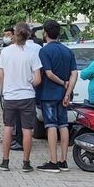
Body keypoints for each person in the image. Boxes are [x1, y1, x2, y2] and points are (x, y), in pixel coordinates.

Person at [0, 22, 42, 172]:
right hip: (27, 96)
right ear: (28, 35)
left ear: (14, 34)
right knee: (27, 130)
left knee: (8, 128)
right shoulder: (32, 53)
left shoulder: (6, 52)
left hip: (10, 96)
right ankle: (26, 163)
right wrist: (29, 82)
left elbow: (1, 75)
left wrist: (6, 87)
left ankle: (5, 161)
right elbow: (37, 79)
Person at [37, 20, 77, 173]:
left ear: (45, 33)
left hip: (49, 94)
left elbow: (48, 73)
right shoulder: (68, 51)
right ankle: (63, 160)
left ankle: (53, 161)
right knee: (63, 124)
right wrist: (67, 91)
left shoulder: (44, 51)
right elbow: (74, 74)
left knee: (51, 125)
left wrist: (62, 83)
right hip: (63, 95)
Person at [0, 27, 22, 151]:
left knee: (13, 118)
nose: (6, 37)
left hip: (12, 90)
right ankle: (10, 138)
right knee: (8, 118)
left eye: (8, 34)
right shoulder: (5, 49)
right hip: (8, 88)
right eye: (4, 34)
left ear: (14, 35)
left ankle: (15, 139)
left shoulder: (16, 51)